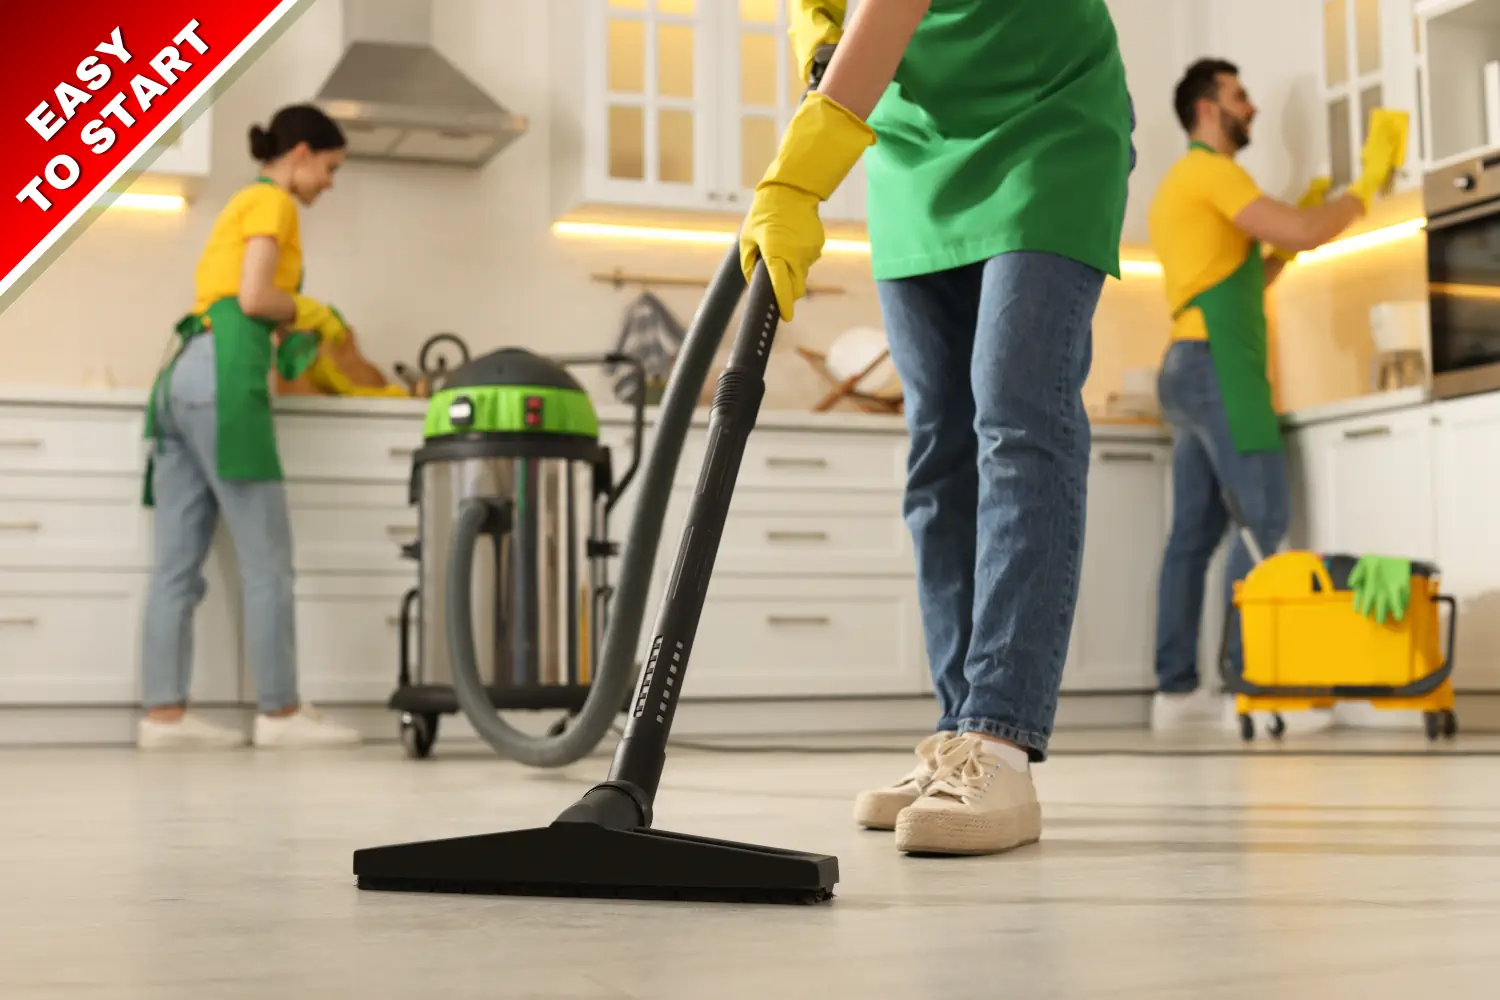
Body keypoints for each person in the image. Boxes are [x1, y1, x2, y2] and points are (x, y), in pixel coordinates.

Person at [740, 0, 1134, 856]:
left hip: (1047, 119)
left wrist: (798, 176)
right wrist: (813, 26)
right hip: (913, 150)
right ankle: (959, 736)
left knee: (1017, 418)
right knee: (939, 451)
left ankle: (999, 739)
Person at [1145, 59, 1406, 732]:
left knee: (1192, 537)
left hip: (1183, 364)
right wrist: (1364, 186)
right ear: (1207, 107)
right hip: (1219, 369)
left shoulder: (1185, 183)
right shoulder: (1214, 172)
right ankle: (1250, 687)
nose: (1251, 106)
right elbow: (1303, 231)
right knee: (1260, 522)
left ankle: (1176, 697)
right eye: (1239, 95)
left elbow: (1247, 274)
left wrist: (1292, 236)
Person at [136, 104, 365, 750]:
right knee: (269, 563)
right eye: (329, 167)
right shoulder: (272, 203)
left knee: (175, 565)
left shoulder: (243, 203)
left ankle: (164, 718)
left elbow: (239, 301)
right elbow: (257, 297)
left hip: (182, 376)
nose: (329, 183)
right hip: (224, 384)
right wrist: (317, 313)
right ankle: (280, 714)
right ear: (299, 154)